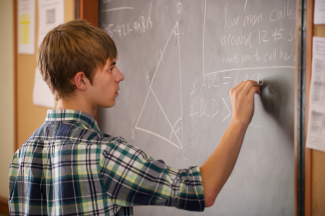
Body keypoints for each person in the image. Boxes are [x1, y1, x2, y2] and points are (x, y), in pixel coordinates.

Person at [8, 20, 260, 216]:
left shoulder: (21, 156)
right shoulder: (103, 156)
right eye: (110, 67)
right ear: (81, 80)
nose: (120, 75)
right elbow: (202, 190)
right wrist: (238, 120)